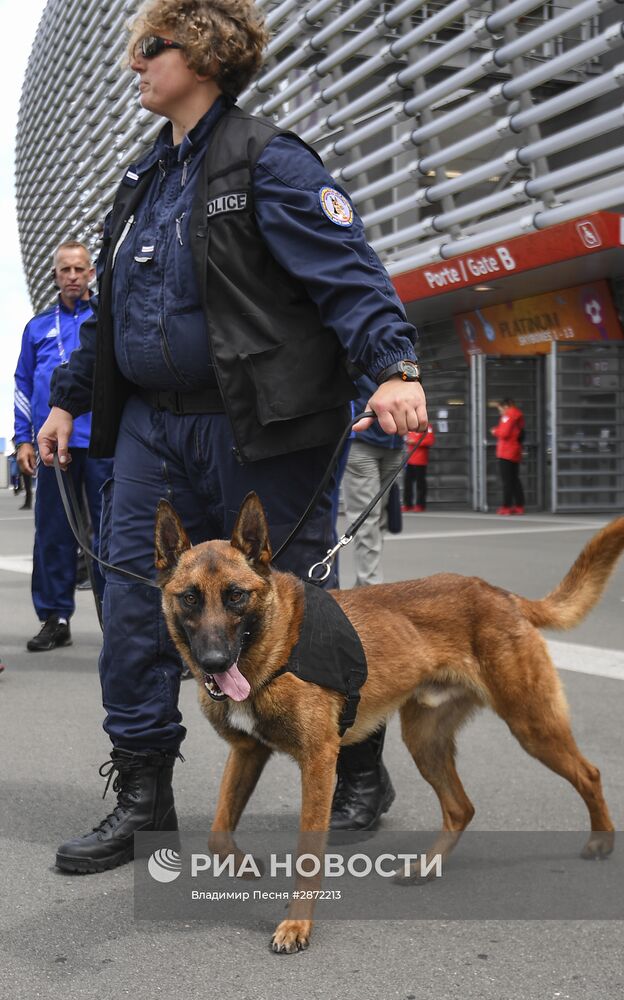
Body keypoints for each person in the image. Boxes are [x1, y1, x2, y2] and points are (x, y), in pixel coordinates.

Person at [37, 0, 428, 874]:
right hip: (151, 428)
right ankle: (142, 799)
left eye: (149, 47)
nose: (135, 64)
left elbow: (349, 276)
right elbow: (113, 313)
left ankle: (357, 759)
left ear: (202, 52)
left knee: (301, 613)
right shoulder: (141, 181)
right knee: (138, 607)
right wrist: (66, 399)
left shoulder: (270, 162)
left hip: (262, 427)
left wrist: (393, 366)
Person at [14, 243, 113, 652]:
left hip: (102, 442)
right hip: (52, 445)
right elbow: (22, 384)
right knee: (52, 533)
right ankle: (55, 617)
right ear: (55, 276)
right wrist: (22, 437)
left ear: (92, 273)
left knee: (111, 534)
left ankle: (117, 620)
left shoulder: (105, 323)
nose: (72, 276)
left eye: (79, 269)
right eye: (65, 270)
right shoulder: (37, 328)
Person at [341, 374, 405, 588]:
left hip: (393, 443)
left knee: (377, 520)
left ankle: (366, 583)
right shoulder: (362, 347)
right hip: (363, 441)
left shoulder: (401, 351)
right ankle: (371, 586)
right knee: (367, 519)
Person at [491, 398, 525, 515]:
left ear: (505, 406)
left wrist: (495, 431)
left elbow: (504, 433)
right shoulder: (518, 416)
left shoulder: (508, 416)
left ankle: (506, 506)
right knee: (515, 479)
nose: (500, 412)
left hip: (506, 452)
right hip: (515, 450)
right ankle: (519, 505)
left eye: (500, 409)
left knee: (507, 481)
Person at [402, 422, 435, 512]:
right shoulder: (410, 426)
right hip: (410, 460)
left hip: (420, 460)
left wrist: (415, 442)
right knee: (407, 483)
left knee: (420, 484)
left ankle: (420, 505)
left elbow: (430, 441)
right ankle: (407, 504)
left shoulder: (427, 427)